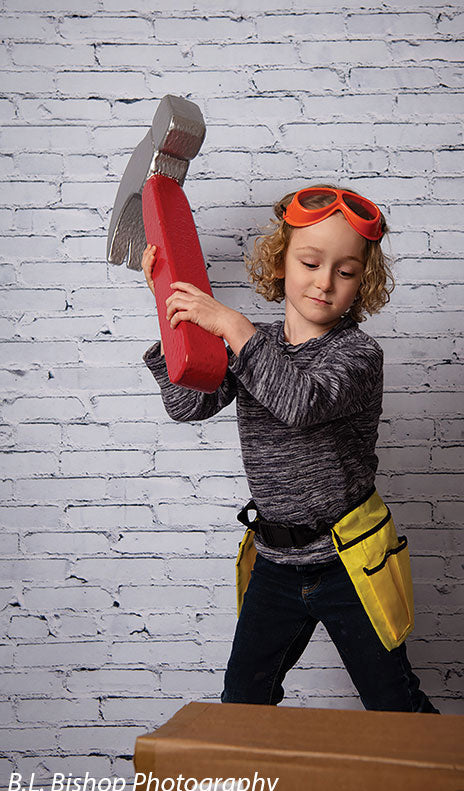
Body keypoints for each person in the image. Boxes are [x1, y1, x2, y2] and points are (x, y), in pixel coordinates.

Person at [141, 185, 438, 713]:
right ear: (281, 263)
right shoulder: (256, 346)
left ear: (361, 283)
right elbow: (188, 407)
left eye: (345, 272)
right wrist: (172, 315)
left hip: (347, 560)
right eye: (310, 262)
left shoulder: (358, 355)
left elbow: (301, 401)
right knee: (242, 701)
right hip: (276, 564)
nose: (324, 283)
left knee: (396, 707)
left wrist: (232, 325)